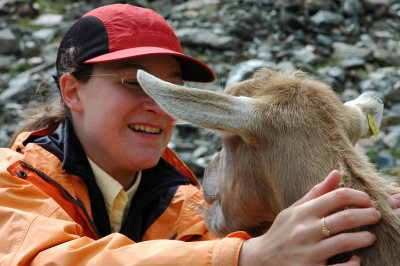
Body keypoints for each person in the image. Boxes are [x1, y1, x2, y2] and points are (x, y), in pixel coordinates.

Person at [0, 4, 398, 265]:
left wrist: (368, 219)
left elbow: (285, 240)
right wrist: (247, 258)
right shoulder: (11, 181)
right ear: (72, 91)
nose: (158, 107)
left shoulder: (196, 210)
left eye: (172, 90)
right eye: (135, 83)